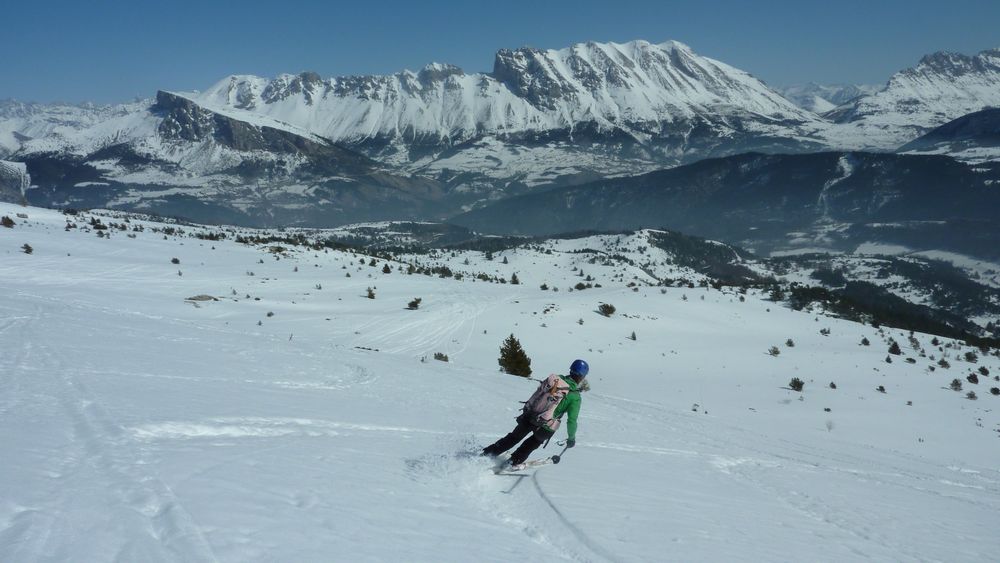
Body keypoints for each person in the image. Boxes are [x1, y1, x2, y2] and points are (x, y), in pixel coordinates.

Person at [481, 359, 588, 469]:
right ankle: (512, 462)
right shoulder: (575, 397)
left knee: (513, 438)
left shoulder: (556, 380)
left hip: (531, 415)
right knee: (531, 444)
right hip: (546, 426)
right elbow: (572, 420)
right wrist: (571, 438)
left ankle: (487, 454)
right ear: (582, 377)